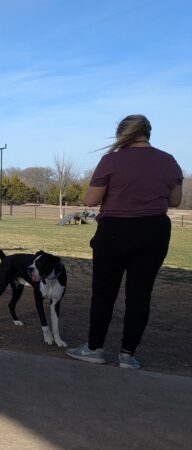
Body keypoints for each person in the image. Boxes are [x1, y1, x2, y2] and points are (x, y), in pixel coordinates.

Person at [67, 114, 183, 369]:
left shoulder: (111, 160)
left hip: (115, 231)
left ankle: (95, 348)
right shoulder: (169, 161)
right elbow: (174, 201)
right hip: (154, 231)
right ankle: (128, 354)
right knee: (140, 294)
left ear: (121, 134)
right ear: (148, 133)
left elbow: (90, 200)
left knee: (104, 293)